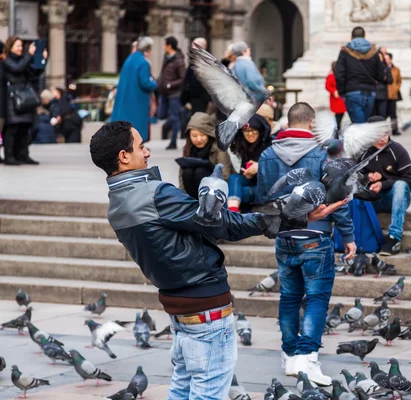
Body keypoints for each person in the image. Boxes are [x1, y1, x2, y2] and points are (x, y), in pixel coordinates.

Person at [90, 121, 343, 400]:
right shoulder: (156, 195)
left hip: (178, 306)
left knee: (183, 390)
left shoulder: (117, 204)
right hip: (205, 308)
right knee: (208, 394)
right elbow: (226, 225)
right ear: (124, 156)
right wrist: (298, 215)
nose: (148, 152)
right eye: (141, 146)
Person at [257, 102, 356, 386]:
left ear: (288, 123)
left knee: (289, 297)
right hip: (316, 235)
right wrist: (348, 236)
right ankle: (306, 357)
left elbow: (264, 196)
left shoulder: (266, 154)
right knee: (316, 298)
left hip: (284, 236)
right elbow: (338, 199)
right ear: (311, 124)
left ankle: (289, 355)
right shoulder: (322, 154)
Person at [360, 116, 411, 255]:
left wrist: (383, 184)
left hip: (395, 198)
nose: (382, 139)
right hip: (371, 200)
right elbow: (350, 179)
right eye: (377, 135)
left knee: (400, 185)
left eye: (385, 134)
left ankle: (394, 237)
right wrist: (367, 178)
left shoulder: (397, 150)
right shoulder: (361, 151)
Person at [3, 36, 47, 165]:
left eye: (21, 46)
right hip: (14, 98)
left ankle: (23, 155)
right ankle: (9, 156)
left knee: (24, 128)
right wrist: (29, 55)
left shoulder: (24, 59)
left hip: (25, 97)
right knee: (13, 129)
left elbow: (34, 73)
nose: (20, 48)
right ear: (10, 47)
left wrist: (43, 59)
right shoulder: (7, 60)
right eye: (17, 46)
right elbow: (17, 68)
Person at [334, 26, 386, 123]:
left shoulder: (345, 52)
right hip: (370, 92)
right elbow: (380, 73)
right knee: (365, 123)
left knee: (359, 126)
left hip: (352, 92)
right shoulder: (373, 52)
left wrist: (341, 92)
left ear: (351, 37)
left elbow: (339, 74)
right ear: (364, 36)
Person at [110, 36, 157, 142]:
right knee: (137, 123)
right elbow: (145, 82)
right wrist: (155, 84)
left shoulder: (129, 59)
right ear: (148, 49)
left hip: (126, 98)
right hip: (137, 99)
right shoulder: (144, 62)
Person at [179, 112, 232, 199]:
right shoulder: (188, 148)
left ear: (208, 133)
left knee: (200, 171)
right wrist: (181, 196)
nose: (199, 139)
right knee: (187, 171)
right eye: (194, 136)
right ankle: (192, 202)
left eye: (202, 135)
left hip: (214, 190)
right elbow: (181, 175)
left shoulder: (218, 148)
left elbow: (225, 174)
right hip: (193, 191)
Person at [227, 114, 272, 212]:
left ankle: (233, 211)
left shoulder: (270, 144)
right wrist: (248, 173)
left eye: (253, 130)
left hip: (266, 186)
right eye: (246, 131)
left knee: (240, 192)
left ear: (260, 130)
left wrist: (259, 167)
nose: (250, 134)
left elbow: (276, 168)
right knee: (234, 178)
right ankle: (233, 211)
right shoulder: (243, 145)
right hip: (250, 181)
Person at [158, 36, 186, 150]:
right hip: (164, 93)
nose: (163, 47)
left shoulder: (179, 60)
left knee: (174, 118)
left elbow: (182, 78)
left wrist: (170, 84)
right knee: (161, 114)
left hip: (174, 93)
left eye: (165, 44)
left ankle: (173, 141)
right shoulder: (166, 58)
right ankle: (178, 117)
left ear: (169, 45)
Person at [180, 38, 212, 125]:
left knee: (198, 122)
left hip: (200, 98)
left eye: (194, 45)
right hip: (193, 98)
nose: (192, 48)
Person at [325, 61, 346, 131]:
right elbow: (328, 86)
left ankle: (337, 127)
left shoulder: (342, 76)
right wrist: (334, 90)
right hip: (336, 98)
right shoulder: (331, 76)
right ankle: (337, 127)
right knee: (338, 115)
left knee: (340, 114)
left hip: (342, 97)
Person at [372, 48, 392, 120]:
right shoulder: (371, 68)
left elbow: (390, 80)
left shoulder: (385, 68)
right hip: (373, 94)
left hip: (382, 95)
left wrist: (385, 78)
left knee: (382, 114)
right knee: (373, 115)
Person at [385, 53, 402, 136]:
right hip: (384, 94)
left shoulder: (396, 69)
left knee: (393, 113)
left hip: (393, 94)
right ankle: (383, 130)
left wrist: (396, 88)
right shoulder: (382, 68)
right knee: (383, 113)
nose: (386, 60)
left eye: (388, 58)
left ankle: (394, 129)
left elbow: (399, 80)